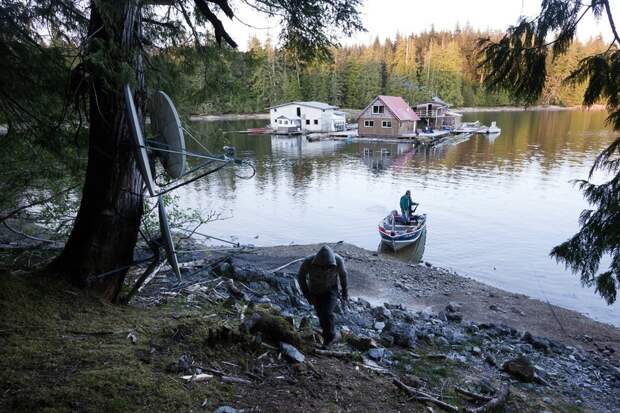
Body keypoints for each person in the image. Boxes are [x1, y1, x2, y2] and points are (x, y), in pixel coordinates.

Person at [297, 245, 348, 347]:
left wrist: (345, 293)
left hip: (331, 291)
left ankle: (330, 338)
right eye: (321, 267)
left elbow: (343, 276)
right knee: (321, 314)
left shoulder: (338, 260)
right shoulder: (308, 261)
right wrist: (307, 294)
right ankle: (328, 333)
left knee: (327, 313)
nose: (325, 269)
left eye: (328, 267)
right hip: (315, 291)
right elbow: (300, 277)